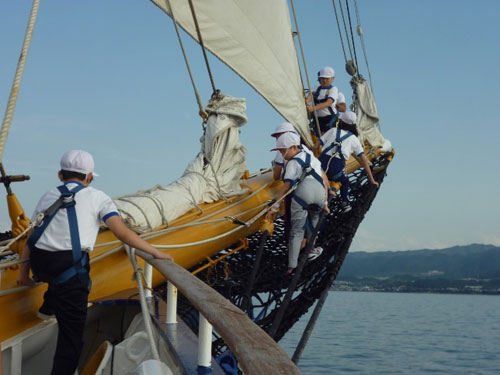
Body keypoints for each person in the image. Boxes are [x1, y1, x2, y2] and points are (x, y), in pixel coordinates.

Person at [16, 150, 173, 375]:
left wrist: (23, 274)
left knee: (60, 274)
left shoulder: (48, 195)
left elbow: (30, 239)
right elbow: (123, 233)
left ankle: (49, 305)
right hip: (67, 271)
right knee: (71, 341)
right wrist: (155, 252)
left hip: (41, 264)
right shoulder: (98, 197)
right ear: (89, 177)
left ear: (60, 175)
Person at [266, 133, 330, 275]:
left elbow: (285, 187)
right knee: (313, 222)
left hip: (303, 194)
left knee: (297, 230)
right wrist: (325, 202)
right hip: (319, 193)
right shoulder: (313, 158)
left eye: (283, 151)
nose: (282, 155)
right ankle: (312, 250)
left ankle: (291, 266)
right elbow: (324, 180)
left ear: (294, 147)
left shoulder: (292, 163)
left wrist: (275, 207)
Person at [314, 112, 379, 212]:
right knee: (345, 181)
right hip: (335, 170)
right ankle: (345, 203)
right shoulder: (354, 139)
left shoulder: (332, 130)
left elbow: (316, 146)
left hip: (320, 165)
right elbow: (364, 161)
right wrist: (371, 180)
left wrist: (314, 161)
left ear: (340, 121)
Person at [305, 66, 341, 135]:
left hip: (329, 120)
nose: (324, 80)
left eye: (327, 78)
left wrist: (313, 108)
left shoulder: (333, 89)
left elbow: (328, 103)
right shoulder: (315, 89)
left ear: (332, 78)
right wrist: (306, 104)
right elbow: (308, 99)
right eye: (322, 78)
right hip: (317, 120)